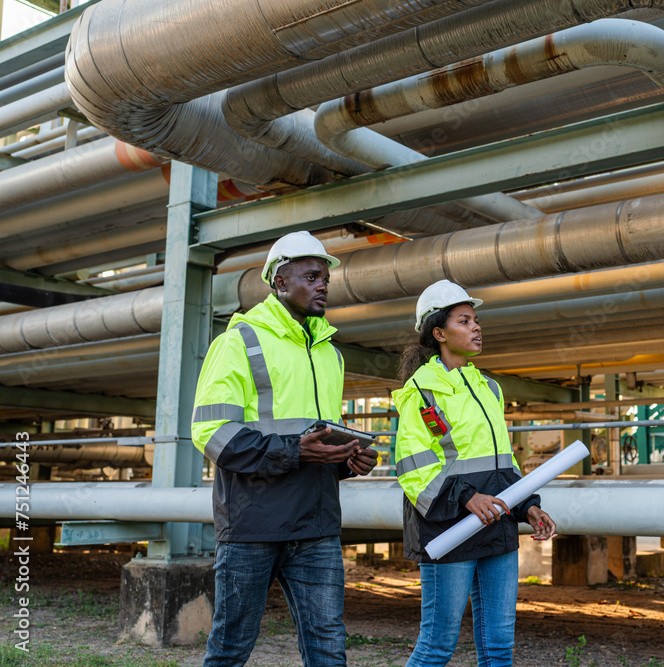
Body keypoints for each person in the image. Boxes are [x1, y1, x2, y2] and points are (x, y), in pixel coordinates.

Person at [191, 230, 378, 666]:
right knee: (231, 647)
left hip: (316, 523)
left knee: (328, 645)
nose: (323, 285)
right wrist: (296, 451)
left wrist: (347, 458)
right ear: (279, 281)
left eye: (325, 278)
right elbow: (211, 432)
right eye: (312, 276)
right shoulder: (238, 342)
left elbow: (316, 438)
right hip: (253, 525)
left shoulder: (329, 352)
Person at [392, 279, 557, 667]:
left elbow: (504, 463)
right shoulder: (422, 393)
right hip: (449, 529)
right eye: (465, 321)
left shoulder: (489, 389)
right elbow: (414, 469)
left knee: (499, 646)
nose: (477, 327)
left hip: (496, 525)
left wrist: (527, 507)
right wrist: (467, 497)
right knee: (437, 646)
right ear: (439, 332)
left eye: (476, 320)